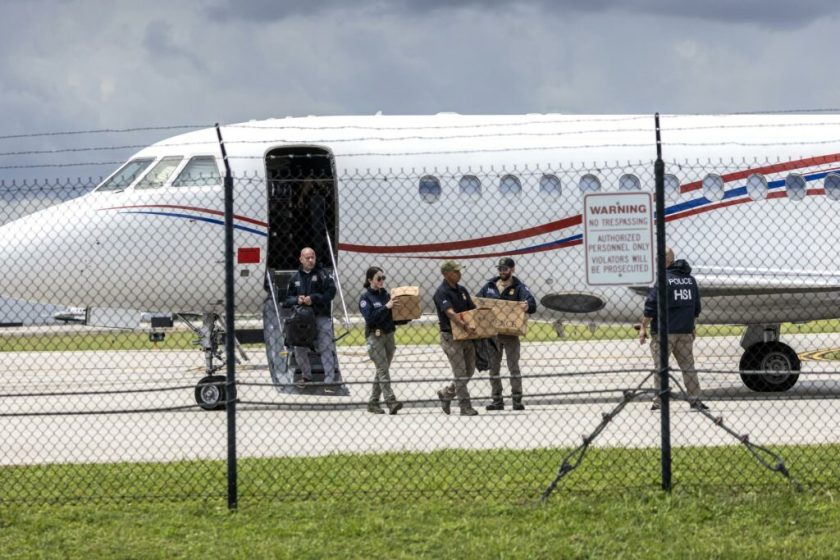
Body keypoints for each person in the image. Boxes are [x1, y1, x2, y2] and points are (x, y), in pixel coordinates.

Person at [639, 248, 707, 411]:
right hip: (685, 331)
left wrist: (643, 327)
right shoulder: (690, 280)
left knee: (660, 368)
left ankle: (660, 401)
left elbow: (650, 307)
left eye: (657, 260)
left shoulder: (663, 280)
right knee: (688, 367)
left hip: (664, 333)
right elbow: (696, 308)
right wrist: (692, 326)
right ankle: (695, 400)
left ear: (665, 261)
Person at [477, 257, 537, 411]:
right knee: (493, 368)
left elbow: (532, 303)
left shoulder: (519, 287)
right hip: (493, 334)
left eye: (505, 269)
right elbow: (477, 300)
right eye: (500, 269)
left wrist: (527, 304)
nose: (502, 272)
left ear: (512, 269)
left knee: (513, 367)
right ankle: (497, 400)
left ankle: (517, 400)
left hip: (510, 334)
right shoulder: (490, 286)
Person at [285, 247, 338, 392]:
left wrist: (313, 298)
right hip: (302, 320)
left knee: (326, 347)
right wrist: (297, 299)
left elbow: (331, 293)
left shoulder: (323, 275)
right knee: (299, 348)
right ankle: (306, 376)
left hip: (321, 316)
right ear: (301, 259)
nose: (310, 260)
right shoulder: (295, 278)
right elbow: (287, 299)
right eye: (307, 258)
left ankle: (329, 380)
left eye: (312, 257)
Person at [434, 260, 479, 416]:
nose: (459, 274)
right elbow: (450, 313)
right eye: (456, 271)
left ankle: (447, 393)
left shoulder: (462, 290)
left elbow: (472, 309)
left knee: (470, 370)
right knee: (460, 373)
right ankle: (465, 406)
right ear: (446, 274)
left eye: (459, 271)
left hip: (466, 335)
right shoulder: (441, 292)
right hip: (451, 337)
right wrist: (464, 325)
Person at [359, 266, 403, 415]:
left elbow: (392, 317)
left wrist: (407, 316)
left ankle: (373, 402)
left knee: (381, 371)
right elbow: (370, 318)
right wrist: (386, 307)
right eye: (379, 278)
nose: (382, 281)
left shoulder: (386, 295)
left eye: (383, 278)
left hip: (389, 335)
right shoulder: (365, 298)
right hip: (375, 336)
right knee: (383, 369)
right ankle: (391, 401)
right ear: (370, 280)